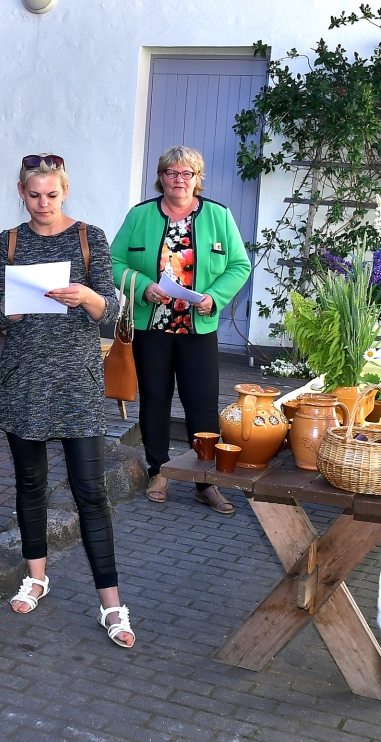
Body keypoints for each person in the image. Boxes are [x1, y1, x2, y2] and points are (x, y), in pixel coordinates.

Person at [0, 154, 136, 648]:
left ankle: (111, 604)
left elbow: (109, 308)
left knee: (90, 492)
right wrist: (16, 305)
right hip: (25, 380)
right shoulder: (10, 241)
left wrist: (85, 297)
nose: (43, 203)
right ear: (21, 192)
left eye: (52, 195)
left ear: (65, 191)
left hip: (77, 381)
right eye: (34, 195)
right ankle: (36, 577)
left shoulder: (89, 237)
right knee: (30, 485)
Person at [110, 146, 251, 514]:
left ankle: (205, 481)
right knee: (155, 400)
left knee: (202, 406)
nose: (179, 180)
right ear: (161, 177)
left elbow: (239, 265)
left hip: (197, 330)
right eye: (171, 173)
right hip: (152, 327)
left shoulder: (218, 216)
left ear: (197, 179)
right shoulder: (140, 215)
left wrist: (214, 297)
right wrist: (142, 286)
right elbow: (114, 261)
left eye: (187, 173)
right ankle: (159, 472)